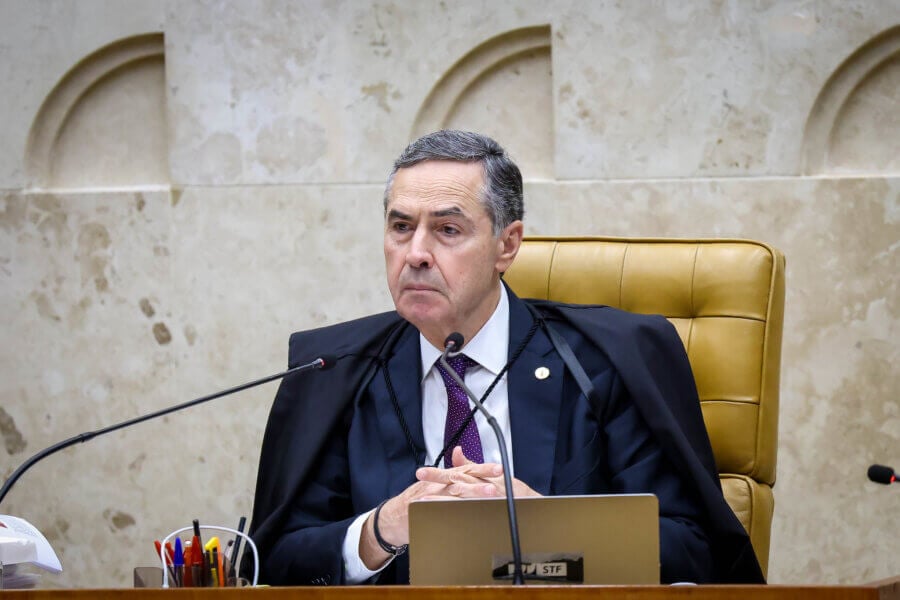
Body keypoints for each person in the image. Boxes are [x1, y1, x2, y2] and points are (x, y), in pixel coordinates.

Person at [247, 130, 764, 585]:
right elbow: (271, 562)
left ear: (507, 245)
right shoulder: (334, 372)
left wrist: (545, 524)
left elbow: (693, 552)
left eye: (447, 230)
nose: (416, 253)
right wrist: (380, 531)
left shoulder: (609, 361)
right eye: (401, 227)